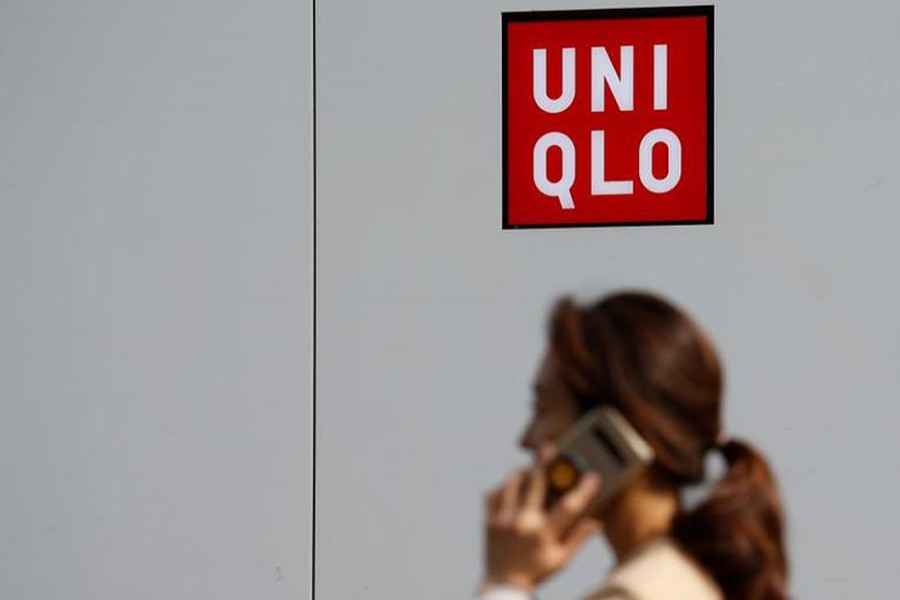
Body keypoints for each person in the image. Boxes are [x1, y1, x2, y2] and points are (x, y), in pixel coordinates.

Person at [476, 291, 789, 600]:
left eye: (542, 409)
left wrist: (507, 581)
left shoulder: (639, 591)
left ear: (608, 433)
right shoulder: (682, 578)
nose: (526, 440)